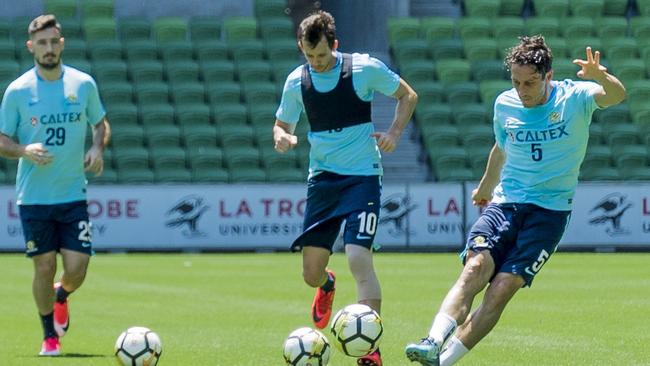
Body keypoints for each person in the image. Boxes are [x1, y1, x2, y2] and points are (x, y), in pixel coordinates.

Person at [405, 35, 626, 366]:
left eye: (530, 83)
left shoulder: (575, 98)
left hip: (550, 213)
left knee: (502, 288)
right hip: (505, 203)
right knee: (475, 269)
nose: (522, 91)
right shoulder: (504, 104)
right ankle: (432, 339)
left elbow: (617, 95)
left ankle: (443, 361)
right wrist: (484, 187)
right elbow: (501, 148)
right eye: (516, 82)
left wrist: (601, 76)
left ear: (548, 76)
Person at [273, 10, 418, 366]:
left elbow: (408, 95)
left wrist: (394, 134)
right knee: (310, 273)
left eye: (322, 56)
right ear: (301, 49)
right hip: (323, 180)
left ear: (334, 46)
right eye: (309, 57)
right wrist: (282, 137)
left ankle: (371, 350)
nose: (316, 63)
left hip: (362, 176)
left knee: (358, 258)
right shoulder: (297, 81)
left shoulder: (363, 68)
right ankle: (326, 285)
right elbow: (280, 123)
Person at [0, 14, 110, 356]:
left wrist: (96, 147)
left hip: (72, 193)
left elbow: (100, 123)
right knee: (44, 267)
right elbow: (2, 139)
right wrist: (22, 150)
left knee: (77, 269)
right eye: (41, 43)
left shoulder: (83, 84)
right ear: (31, 47)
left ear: (61, 43)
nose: (48, 48)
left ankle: (62, 295)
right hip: (33, 198)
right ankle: (50, 335)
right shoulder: (18, 91)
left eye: (53, 42)